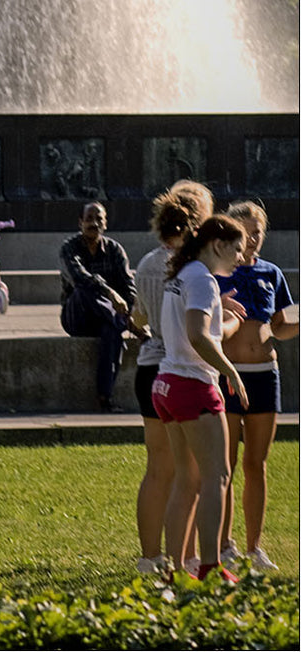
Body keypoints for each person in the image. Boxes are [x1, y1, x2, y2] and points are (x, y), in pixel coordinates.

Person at [153, 213, 249, 580]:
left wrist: (228, 319)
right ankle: (210, 565)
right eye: (237, 248)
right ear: (218, 244)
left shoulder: (183, 274)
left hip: (166, 384)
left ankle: (174, 569)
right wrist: (230, 370)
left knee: (186, 480)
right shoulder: (203, 280)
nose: (241, 257)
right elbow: (197, 336)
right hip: (194, 385)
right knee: (217, 477)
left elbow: (202, 332)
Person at [132, 181, 214, 574]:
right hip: (179, 369)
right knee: (191, 474)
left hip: (148, 369)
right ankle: (187, 556)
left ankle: (150, 558)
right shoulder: (190, 266)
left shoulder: (147, 262)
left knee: (157, 468)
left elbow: (139, 317)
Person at [216, 201, 298, 572]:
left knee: (256, 464)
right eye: (245, 231)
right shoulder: (216, 271)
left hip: (265, 373)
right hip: (229, 375)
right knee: (225, 465)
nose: (251, 238)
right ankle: (224, 544)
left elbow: (280, 326)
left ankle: (254, 547)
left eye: (257, 231)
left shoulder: (271, 272)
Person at [58, 201, 141, 411]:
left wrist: (129, 304)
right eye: (89, 219)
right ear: (80, 222)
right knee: (83, 289)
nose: (94, 223)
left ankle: (105, 398)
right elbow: (79, 277)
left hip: (106, 319)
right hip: (77, 318)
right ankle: (124, 323)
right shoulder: (69, 248)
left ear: (105, 223)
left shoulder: (115, 250)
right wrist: (110, 293)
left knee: (112, 333)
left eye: (99, 219)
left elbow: (128, 284)